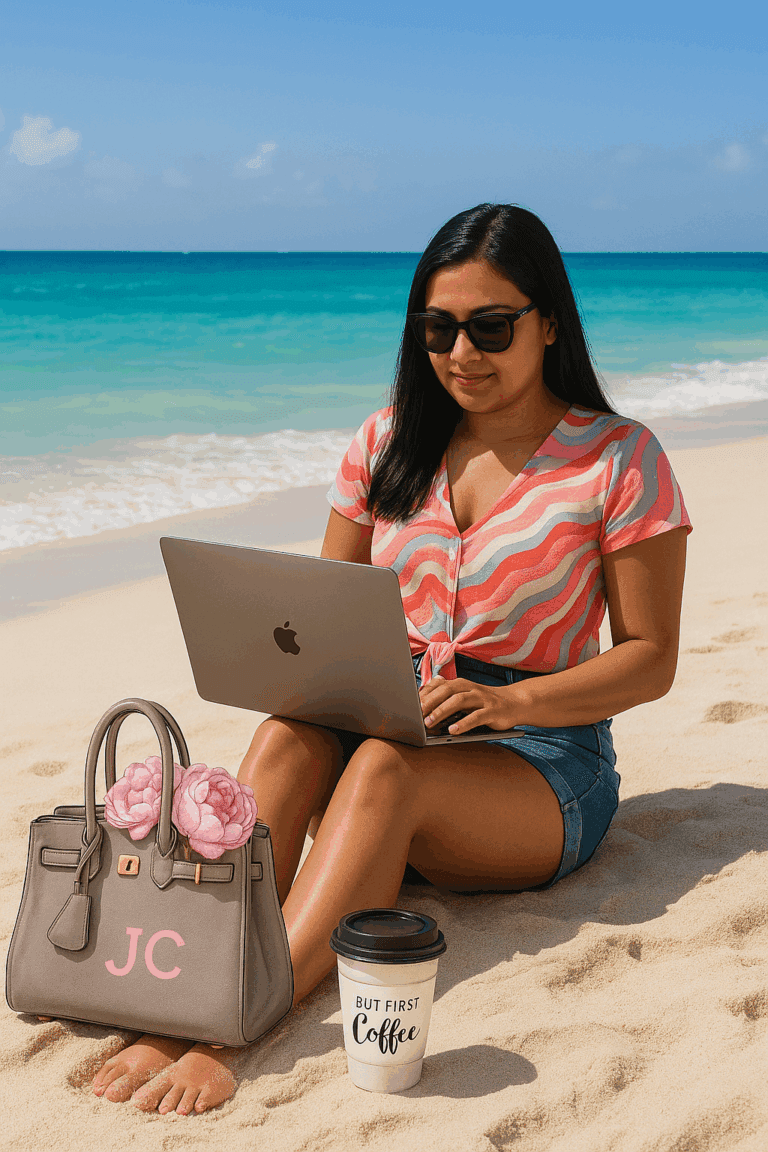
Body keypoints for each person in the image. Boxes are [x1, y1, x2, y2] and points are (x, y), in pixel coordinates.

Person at [90, 203, 691, 1114]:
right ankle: (191, 983)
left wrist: (510, 707)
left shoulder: (618, 459)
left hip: (542, 756)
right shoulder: (386, 441)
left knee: (382, 772)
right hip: (390, 712)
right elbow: (324, 616)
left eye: (492, 326)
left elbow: (651, 659)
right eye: (439, 328)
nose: (461, 353)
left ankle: (232, 1024)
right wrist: (302, 677)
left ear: (550, 323)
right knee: (290, 733)